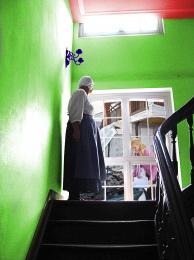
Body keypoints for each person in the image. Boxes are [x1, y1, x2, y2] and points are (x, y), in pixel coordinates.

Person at [63, 76, 106, 200]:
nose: (91, 89)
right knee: (80, 161)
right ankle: (75, 194)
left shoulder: (82, 95)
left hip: (86, 131)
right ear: (88, 85)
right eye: (91, 86)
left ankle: (77, 194)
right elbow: (75, 112)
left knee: (83, 162)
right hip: (82, 131)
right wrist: (76, 130)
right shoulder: (80, 92)